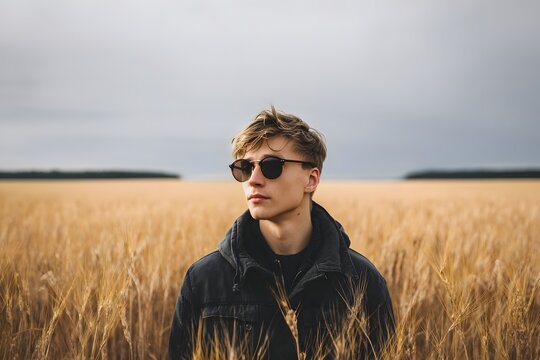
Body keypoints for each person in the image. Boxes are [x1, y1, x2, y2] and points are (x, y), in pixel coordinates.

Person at [169, 107, 395, 359]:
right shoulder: (203, 280)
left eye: (271, 166)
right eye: (244, 167)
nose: (253, 179)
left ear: (311, 179)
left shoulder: (362, 281)